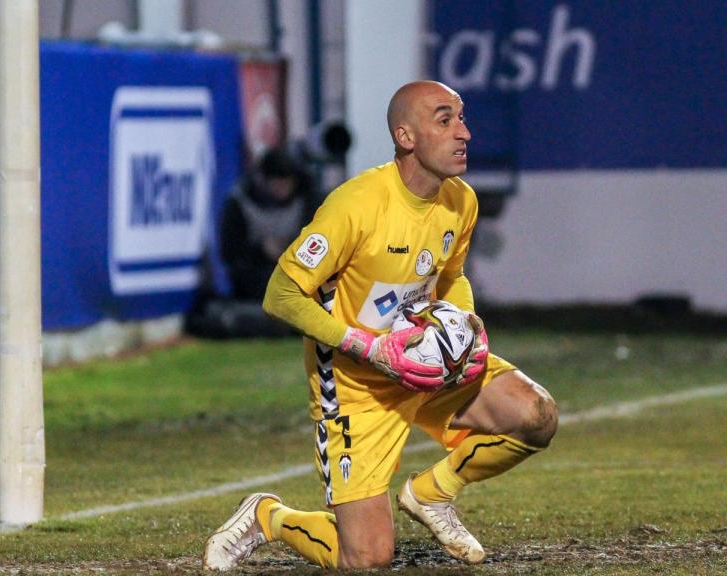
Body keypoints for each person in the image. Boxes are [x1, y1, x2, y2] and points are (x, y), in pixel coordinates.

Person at [202, 80, 558, 570]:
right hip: (357, 384)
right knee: (366, 559)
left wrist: (468, 328)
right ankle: (269, 518)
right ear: (406, 136)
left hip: (428, 363)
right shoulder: (356, 205)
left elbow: (450, 277)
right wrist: (368, 348)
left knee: (535, 415)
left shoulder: (461, 201)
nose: (465, 133)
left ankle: (431, 495)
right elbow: (280, 294)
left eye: (462, 118)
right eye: (445, 120)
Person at [221, 147, 314, 300]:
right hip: (256, 276)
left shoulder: (307, 200)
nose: (282, 191)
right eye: (277, 185)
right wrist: (261, 250)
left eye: (286, 185)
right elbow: (230, 253)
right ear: (263, 181)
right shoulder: (240, 203)